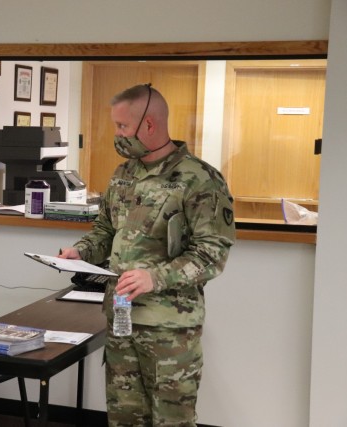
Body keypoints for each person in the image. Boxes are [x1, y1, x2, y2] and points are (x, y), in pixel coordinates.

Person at [59, 84, 235, 426]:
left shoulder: (198, 179)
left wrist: (154, 277)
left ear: (149, 126)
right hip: (121, 321)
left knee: (173, 420)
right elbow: (106, 232)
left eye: (123, 127)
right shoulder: (123, 174)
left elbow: (212, 253)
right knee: (124, 417)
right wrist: (78, 252)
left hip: (168, 328)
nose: (117, 135)